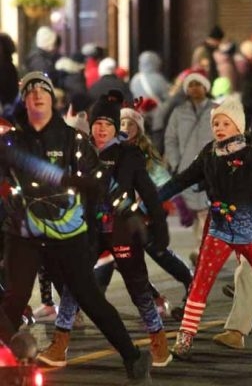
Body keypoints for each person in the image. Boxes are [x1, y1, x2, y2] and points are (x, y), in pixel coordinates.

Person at [0, 72, 151, 382]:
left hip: (66, 234)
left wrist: (128, 210)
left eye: (43, 90)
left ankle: (134, 358)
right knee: (14, 299)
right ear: (24, 101)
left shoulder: (73, 139)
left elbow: (101, 182)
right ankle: (9, 365)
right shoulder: (11, 141)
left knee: (88, 295)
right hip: (23, 233)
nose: (37, 95)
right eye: (30, 92)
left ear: (53, 99)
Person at [158, 96, 252, 360]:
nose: (219, 127)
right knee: (200, 282)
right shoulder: (208, 153)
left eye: (225, 123)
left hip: (251, 230)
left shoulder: (249, 154)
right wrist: (153, 197)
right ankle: (184, 339)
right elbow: (182, 180)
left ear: (238, 127)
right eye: (216, 123)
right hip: (219, 229)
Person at [37, 89, 172, 369]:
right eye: (97, 123)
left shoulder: (129, 155)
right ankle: (60, 344)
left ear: (115, 128)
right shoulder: (80, 151)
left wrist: (159, 227)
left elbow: (148, 192)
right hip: (87, 230)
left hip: (122, 229)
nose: (101, 129)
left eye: (108, 124)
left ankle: (158, 339)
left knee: (138, 288)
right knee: (78, 283)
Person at [120, 105, 193, 318]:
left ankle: (191, 282)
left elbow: (163, 182)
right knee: (122, 263)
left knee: (160, 254)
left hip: (144, 217)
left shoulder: (145, 155)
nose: (125, 127)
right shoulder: (112, 150)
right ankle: (154, 298)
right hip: (121, 218)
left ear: (139, 128)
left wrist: (149, 206)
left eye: (130, 124)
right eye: (122, 123)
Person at [164, 70, 214, 267]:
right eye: (190, 85)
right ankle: (202, 247)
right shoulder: (179, 112)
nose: (194, 88)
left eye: (198, 84)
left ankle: (201, 250)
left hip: (210, 167)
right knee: (195, 212)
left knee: (204, 209)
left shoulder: (216, 109)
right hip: (186, 168)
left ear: (205, 87)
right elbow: (171, 139)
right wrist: (176, 163)